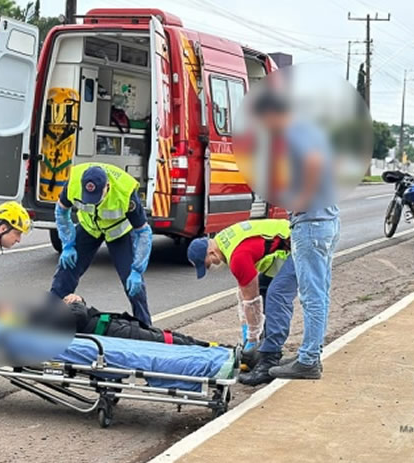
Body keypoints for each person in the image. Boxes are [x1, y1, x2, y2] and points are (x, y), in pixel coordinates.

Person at [251, 91, 340, 381]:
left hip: (311, 226)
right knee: (296, 292)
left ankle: (309, 360)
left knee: (313, 297)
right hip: (322, 224)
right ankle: (304, 353)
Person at [186, 219, 298, 385]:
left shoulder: (237, 257)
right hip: (288, 239)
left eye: (209, 265)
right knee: (265, 289)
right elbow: (243, 293)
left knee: (276, 296)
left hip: (299, 243)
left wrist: (252, 338)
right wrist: (248, 332)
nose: (213, 267)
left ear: (211, 253)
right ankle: (266, 349)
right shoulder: (223, 240)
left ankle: (270, 360)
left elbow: (251, 301)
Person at [50, 163, 153, 326]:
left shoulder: (125, 192)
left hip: (119, 233)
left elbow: (143, 232)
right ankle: (48, 317)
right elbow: (61, 212)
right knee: (65, 272)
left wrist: (137, 269)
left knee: (133, 285)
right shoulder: (74, 183)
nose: (94, 202)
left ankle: (146, 328)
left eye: (98, 196)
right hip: (89, 228)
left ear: (107, 186)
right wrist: (68, 244)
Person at [62, 294, 224, 347]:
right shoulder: (48, 322)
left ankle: (213, 346)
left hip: (113, 326)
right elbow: (79, 317)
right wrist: (77, 301)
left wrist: (78, 300)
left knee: (165, 336)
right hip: (112, 332)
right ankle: (212, 348)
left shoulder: (49, 316)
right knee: (163, 339)